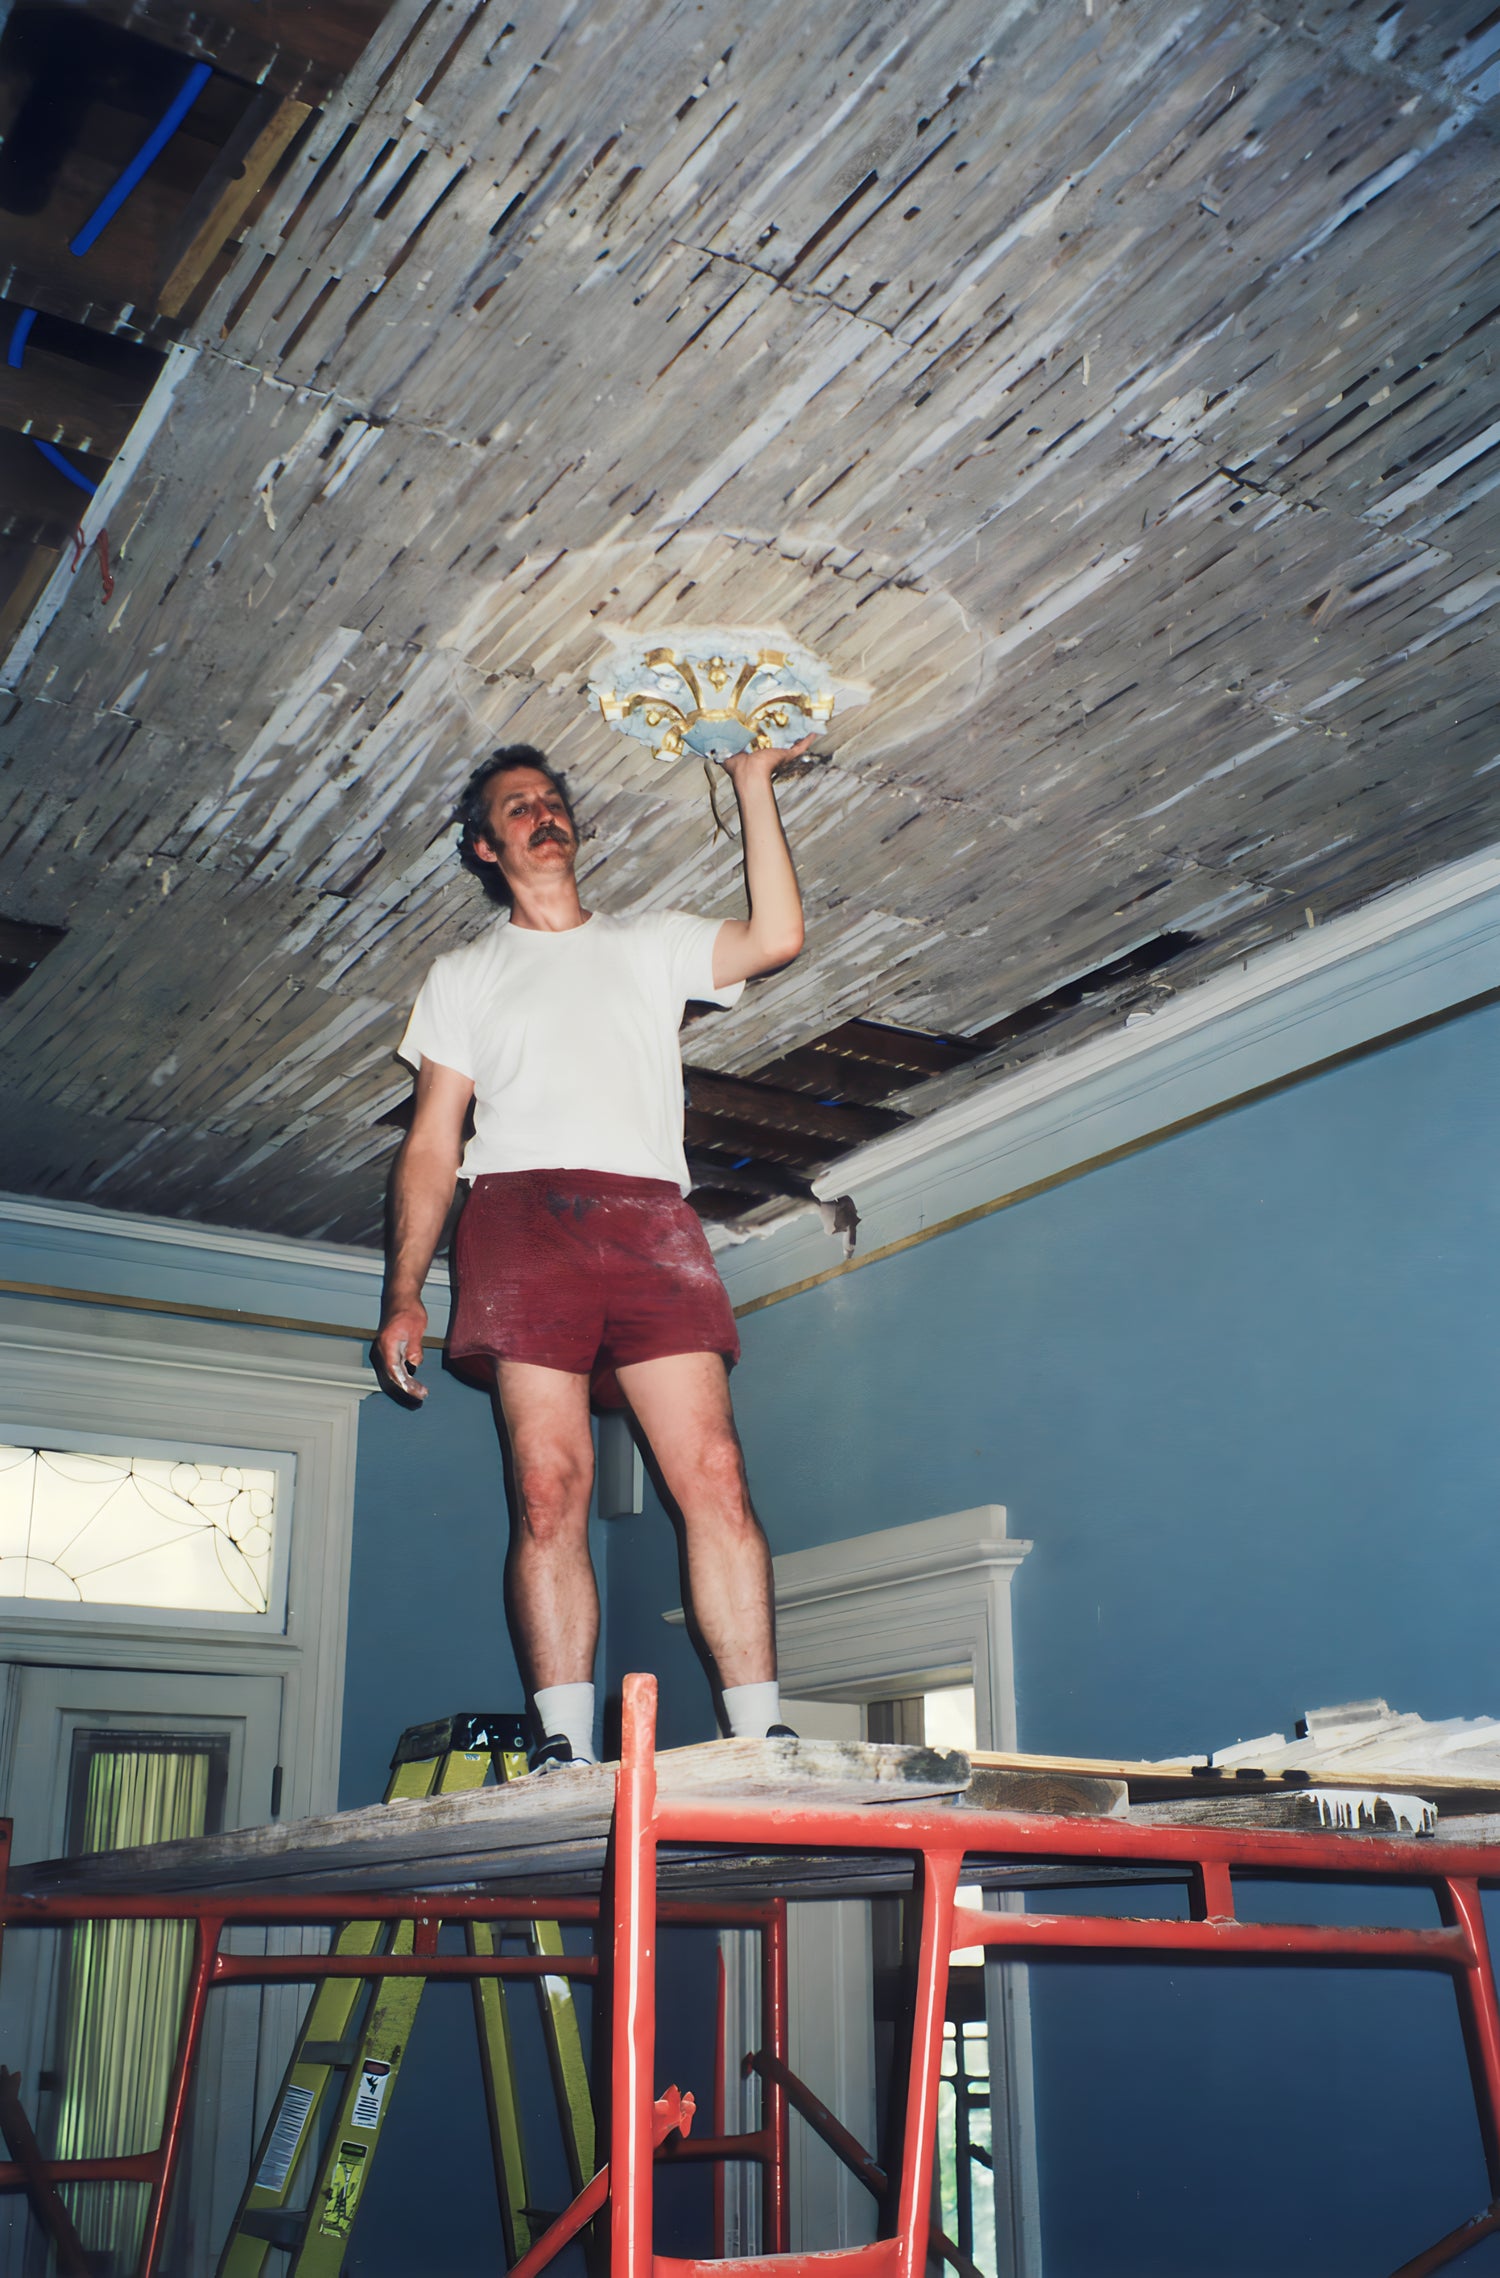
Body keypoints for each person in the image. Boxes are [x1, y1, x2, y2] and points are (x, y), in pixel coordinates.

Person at [374, 735, 812, 1769]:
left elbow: (778, 934)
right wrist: (403, 1291)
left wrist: (750, 783)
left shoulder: (648, 940)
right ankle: (564, 1746)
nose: (540, 812)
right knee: (548, 1485)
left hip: (652, 1217)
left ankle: (760, 1737)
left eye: (550, 798)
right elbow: (434, 1143)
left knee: (713, 1467)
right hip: (521, 1219)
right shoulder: (464, 973)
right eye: (515, 806)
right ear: (484, 847)